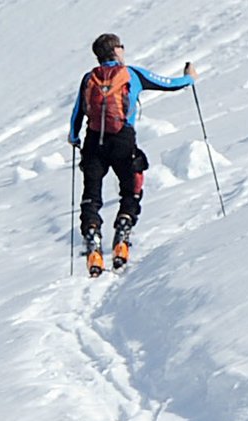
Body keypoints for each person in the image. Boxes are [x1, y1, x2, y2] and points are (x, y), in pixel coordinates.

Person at [69, 33, 195, 275]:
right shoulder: (132, 74)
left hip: (93, 141)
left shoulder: (89, 78)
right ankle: (123, 230)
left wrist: (75, 138)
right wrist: (189, 78)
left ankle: (92, 238)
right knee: (131, 186)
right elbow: (170, 83)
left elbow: (77, 114)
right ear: (116, 50)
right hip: (122, 140)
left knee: (91, 195)